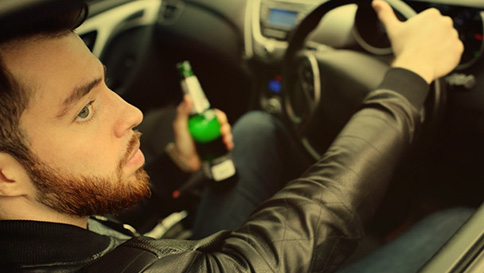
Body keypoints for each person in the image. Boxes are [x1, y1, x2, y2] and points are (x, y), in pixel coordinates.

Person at [0, 0, 464, 272]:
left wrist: (171, 166)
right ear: (5, 176)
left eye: (106, 89)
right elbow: (302, 231)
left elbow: (78, 205)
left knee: (256, 129)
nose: (134, 113)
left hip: (175, 246)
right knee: (457, 222)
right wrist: (410, 75)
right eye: (84, 110)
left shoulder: (33, 232)